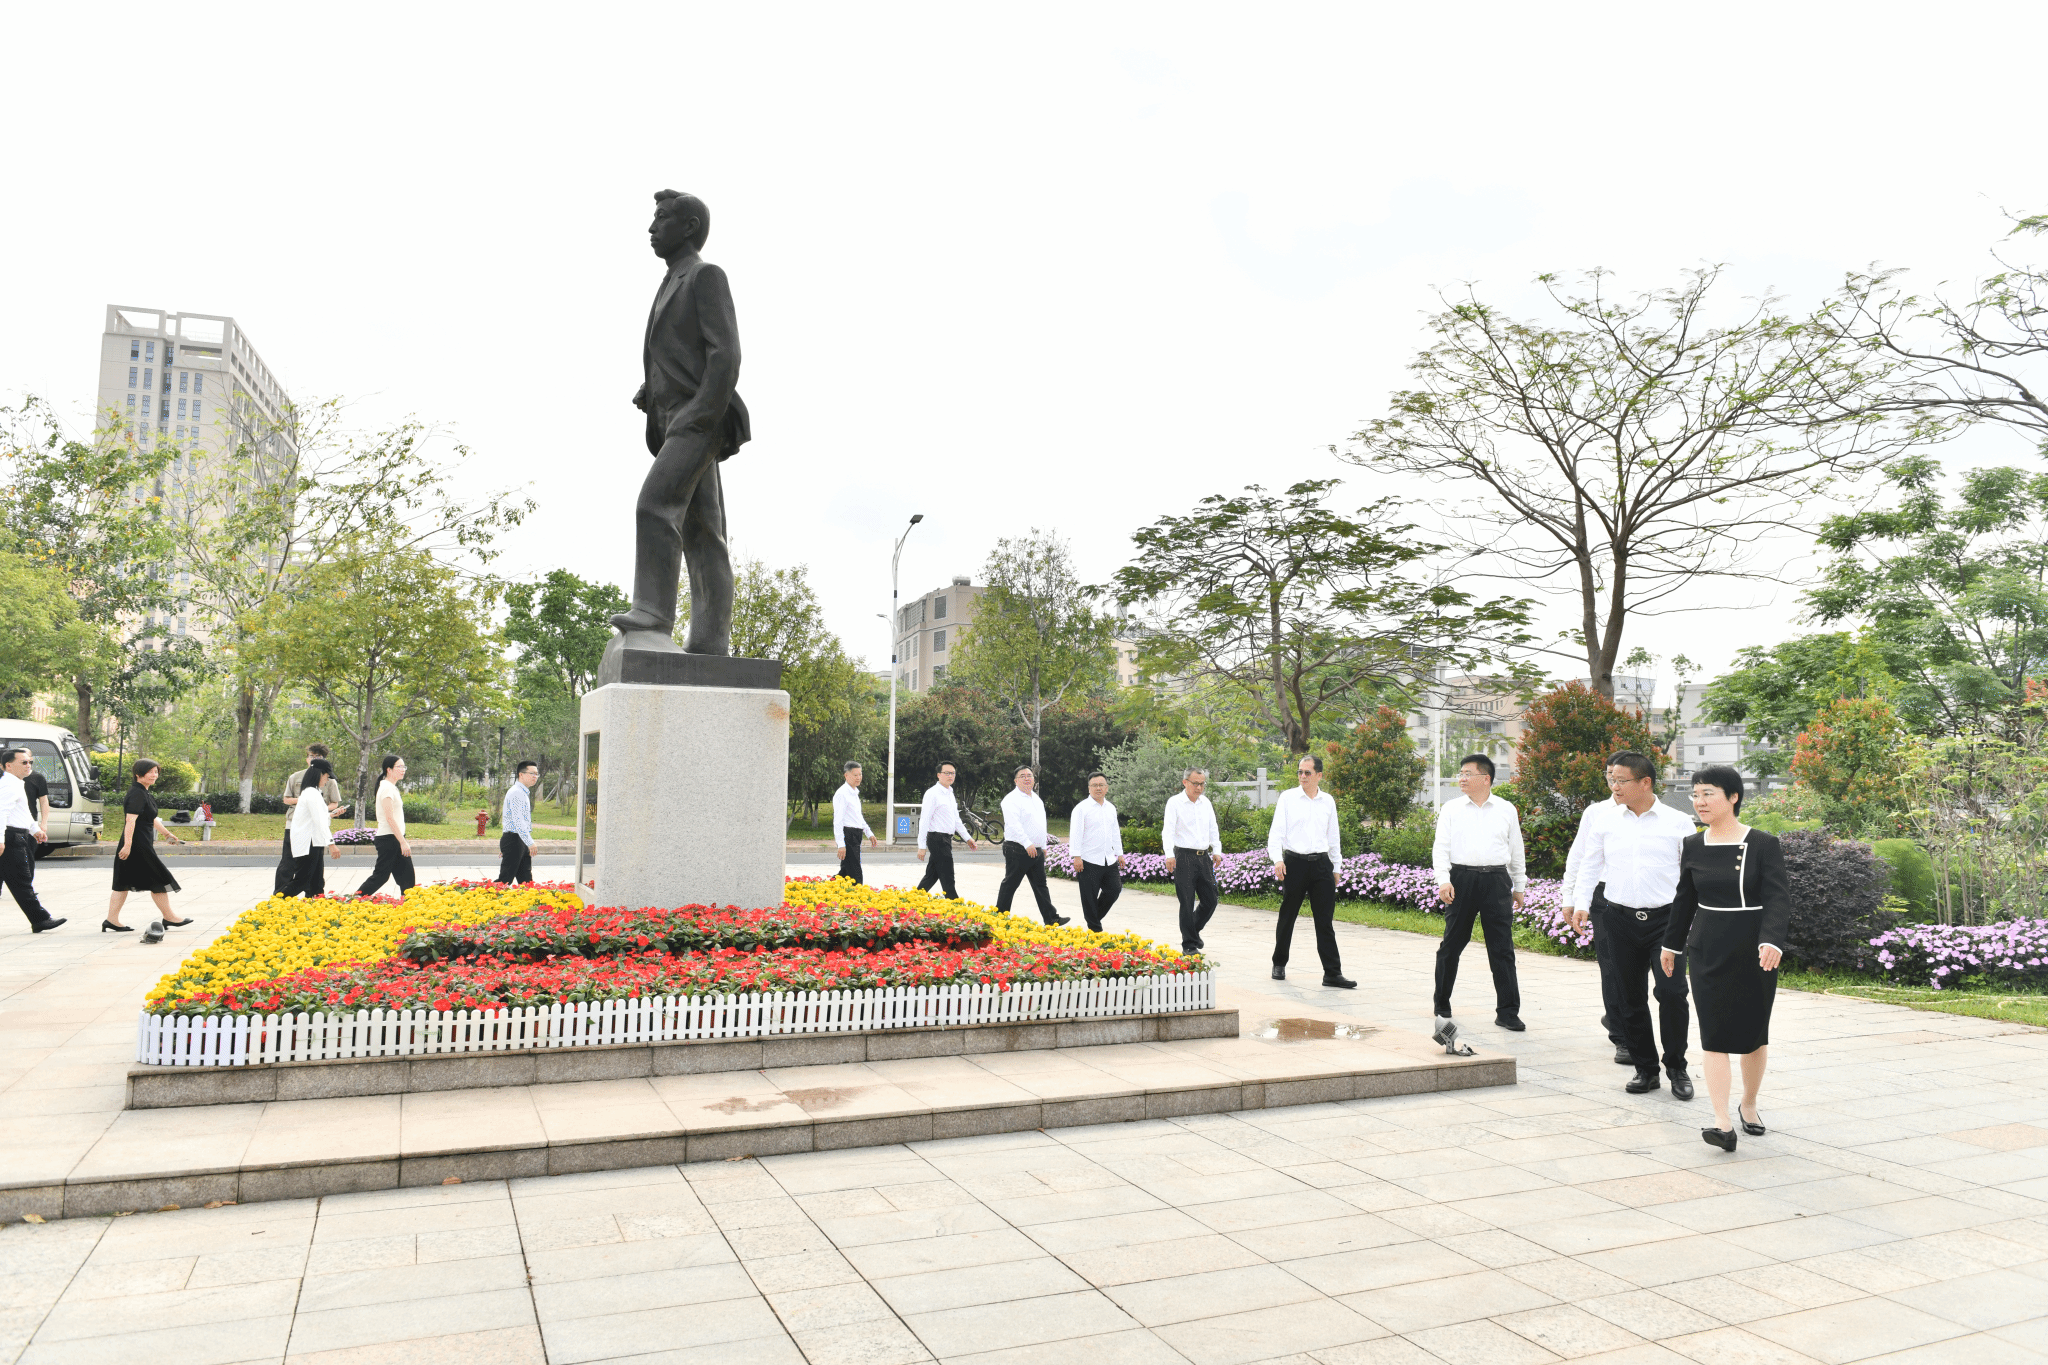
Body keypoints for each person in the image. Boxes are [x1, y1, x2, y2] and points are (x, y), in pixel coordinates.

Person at [607, 190, 751, 654]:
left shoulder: (705, 275)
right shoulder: (671, 280)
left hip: (699, 418)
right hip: (673, 418)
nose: (651, 228)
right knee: (704, 533)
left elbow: (725, 352)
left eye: (661, 218)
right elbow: (677, 350)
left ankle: (652, 612)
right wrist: (652, 389)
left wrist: (700, 414)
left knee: (654, 505)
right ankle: (710, 643)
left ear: (689, 227)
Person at [1662, 765, 1790, 1153]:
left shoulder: (1763, 843)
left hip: (1753, 950)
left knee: (1753, 1035)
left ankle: (1748, 1104)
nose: (1699, 801)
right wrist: (1671, 945)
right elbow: (1684, 899)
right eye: (1695, 794)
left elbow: (1778, 898)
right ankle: (1722, 1122)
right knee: (1713, 1034)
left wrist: (1772, 940)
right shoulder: (1693, 844)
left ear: (1733, 797)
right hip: (1707, 948)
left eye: (1708, 794)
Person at [1564, 752, 1698, 1100]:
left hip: (1666, 923)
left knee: (1672, 994)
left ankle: (1677, 1067)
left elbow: (1691, 876)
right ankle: (1646, 1069)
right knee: (1629, 997)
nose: (1614, 786)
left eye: (1621, 780)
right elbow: (1590, 865)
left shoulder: (1678, 822)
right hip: (1619, 918)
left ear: (1645, 783)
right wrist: (1581, 903)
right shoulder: (1605, 820)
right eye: (1612, 779)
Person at [1430, 754, 1526, 1038]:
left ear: (1486, 778)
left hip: (1496, 880)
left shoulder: (1506, 809)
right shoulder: (1451, 809)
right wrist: (1443, 880)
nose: (1461, 778)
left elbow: (1516, 849)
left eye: (1467, 773)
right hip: (1461, 880)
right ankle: (1442, 1003)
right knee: (1452, 944)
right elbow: (1440, 847)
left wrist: (1519, 886)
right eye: (1460, 773)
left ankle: (1508, 1012)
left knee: (1502, 948)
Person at [1269, 756, 1353, 988]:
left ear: (1319, 775)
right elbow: (1276, 833)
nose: (1302, 776)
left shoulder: (1328, 801)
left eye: (1307, 772)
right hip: (1294, 864)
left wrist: (1336, 867)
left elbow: (1333, 836)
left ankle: (1332, 973)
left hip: (1322, 865)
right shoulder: (1288, 798)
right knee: (1288, 916)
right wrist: (1277, 859)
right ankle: (1279, 963)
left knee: (1325, 921)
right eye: (1300, 772)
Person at [109, 759, 193, 932]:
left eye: (156, 772)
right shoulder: (137, 793)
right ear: (138, 774)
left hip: (141, 842)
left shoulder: (143, 792)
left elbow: (151, 818)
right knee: (158, 878)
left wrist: (167, 834)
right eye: (150, 772)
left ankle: (111, 920)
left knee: (123, 881)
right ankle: (169, 917)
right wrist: (128, 845)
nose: (154, 775)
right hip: (137, 845)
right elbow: (130, 820)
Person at [0, 748, 62, 932]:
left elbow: (23, 812)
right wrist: (1, 840)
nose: (29, 766)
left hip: (14, 835)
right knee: (22, 881)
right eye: (24, 762)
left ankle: (40, 920)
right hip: (11, 838)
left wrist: (35, 830)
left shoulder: (16, 783)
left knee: (19, 881)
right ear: (9, 766)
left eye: (30, 762)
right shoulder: (9, 786)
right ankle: (40, 920)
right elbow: (1, 813)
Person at [997, 766, 1068, 925]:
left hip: (1036, 850)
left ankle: (1051, 918)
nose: (1027, 778)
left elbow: (1040, 823)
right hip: (1017, 848)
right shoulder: (1011, 799)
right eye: (1022, 776)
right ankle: (999, 918)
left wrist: (1043, 845)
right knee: (1010, 884)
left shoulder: (1036, 799)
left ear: (1034, 779)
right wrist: (1027, 843)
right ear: (1016, 781)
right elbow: (1014, 824)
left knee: (1040, 885)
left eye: (1029, 775)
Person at [1164, 768, 1222, 954]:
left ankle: (1193, 932)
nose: (1199, 787)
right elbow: (1168, 831)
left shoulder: (1206, 803)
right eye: (1195, 783)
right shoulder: (1174, 803)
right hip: (1184, 857)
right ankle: (1189, 945)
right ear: (1185, 782)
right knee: (1187, 901)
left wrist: (1217, 850)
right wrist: (1169, 854)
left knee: (1211, 899)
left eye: (1202, 784)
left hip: (1204, 857)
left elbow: (1213, 828)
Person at [274, 745, 344, 895]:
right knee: (303, 879)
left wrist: (330, 815)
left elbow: (318, 817)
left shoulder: (312, 792)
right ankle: (278, 901)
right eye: (326, 776)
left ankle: (315, 903)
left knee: (316, 878)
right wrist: (332, 844)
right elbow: (319, 822)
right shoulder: (311, 794)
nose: (327, 780)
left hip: (313, 840)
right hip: (309, 841)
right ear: (319, 774)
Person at [1069, 773, 1125, 932]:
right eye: (1094, 785)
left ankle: (1093, 919)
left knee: (1114, 890)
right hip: (1088, 860)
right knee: (1089, 897)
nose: (1098, 788)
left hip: (1108, 859)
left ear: (1106, 788)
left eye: (1101, 785)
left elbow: (1115, 832)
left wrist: (1120, 853)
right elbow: (1076, 833)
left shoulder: (1111, 808)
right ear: (1089, 788)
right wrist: (1076, 856)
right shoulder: (1081, 808)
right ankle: (1095, 929)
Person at [356, 755, 416, 897]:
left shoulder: (390, 787)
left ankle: (408, 905)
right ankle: (355, 900)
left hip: (393, 838)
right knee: (381, 876)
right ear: (389, 769)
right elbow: (389, 818)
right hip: (389, 839)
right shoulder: (387, 788)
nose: (403, 770)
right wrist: (403, 842)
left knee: (407, 879)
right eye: (399, 767)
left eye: (404, 767)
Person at [915, 761, 977, 898]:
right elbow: (924, 820)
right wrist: (921, 846)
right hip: (936, 838)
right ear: (939, 775)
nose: (950, 776)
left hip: (946, 839)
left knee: (932, 875)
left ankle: (912, 900)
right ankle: (955, 903)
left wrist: (967, 838)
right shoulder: (932, 793)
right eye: (947, 773)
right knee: (948, 875)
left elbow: (956, 820)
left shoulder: (950, 793)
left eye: (953, 773)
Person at [833, 761, 877, 885]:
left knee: (845, 872)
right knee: (855, 874)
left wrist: (869, 833)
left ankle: (825, 889)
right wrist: (841, 844)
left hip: (856, 835)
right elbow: (838, 821)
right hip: (848, 835)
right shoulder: (842, 794)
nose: (858, 777)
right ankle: (858, 894)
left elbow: (858, 817)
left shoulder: (854, 793)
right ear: (846, 775)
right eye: (855, 775)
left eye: (860, 774)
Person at [498, 760, 539, 885]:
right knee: (504, 881)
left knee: (526, 881)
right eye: (532, 773)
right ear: (521, 774)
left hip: (517, 840)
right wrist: (529, 842)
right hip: (514, 839)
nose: (535, 777)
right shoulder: (517, 792)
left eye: (537, 774)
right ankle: (481, 896)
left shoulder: (522, 792)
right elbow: (518, 821)